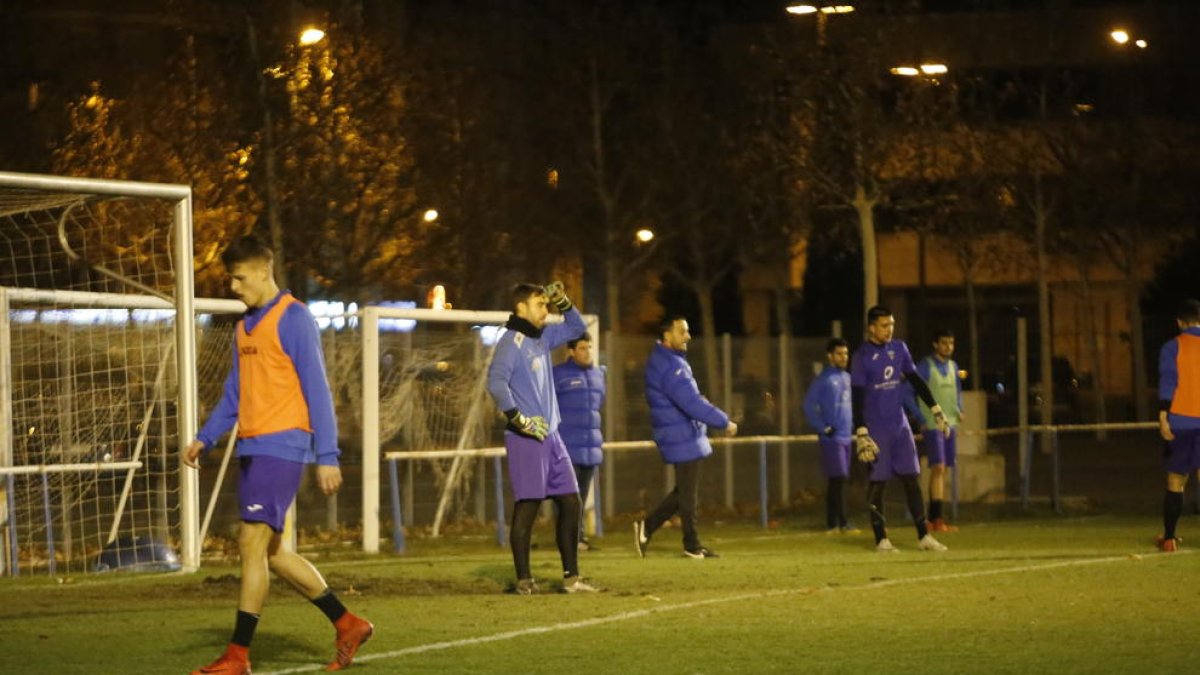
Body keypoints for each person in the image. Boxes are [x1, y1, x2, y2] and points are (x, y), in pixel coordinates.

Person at [184, 236, 372, 675]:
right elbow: (234, 393)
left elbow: (318, 389)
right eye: (231, 279)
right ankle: (348, 624)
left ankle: (237, 656)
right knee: (272, 552)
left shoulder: (294, 317)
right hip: (253, 446)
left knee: (249, 543)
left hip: (282, 446)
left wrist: (327, 454)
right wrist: (205, 437)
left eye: (239, 278)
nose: (233, 286)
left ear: (264, 271)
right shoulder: (244, 326)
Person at [486, 282, 598, 593]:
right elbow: (496, 383)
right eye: (540, 304)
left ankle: (571, 579)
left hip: (552, 436)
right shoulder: (511, 342)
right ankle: (525, 581)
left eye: (547, 304)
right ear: (521, 308)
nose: (545, 310)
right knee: (529, 506)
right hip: (526, 438)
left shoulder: (542, 337)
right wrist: (518, 419)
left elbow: (577, 327)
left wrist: (564, 301)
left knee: (571, 502)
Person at [635, 316, 738, 559]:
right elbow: (691, 402)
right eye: (682, 332)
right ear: (667, 335)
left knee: (684, 492)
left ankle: (649, 528)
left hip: (680, 433)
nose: (688, 337)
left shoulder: (667, 361)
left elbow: (689, 399)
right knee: (688, 494)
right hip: (681, 434)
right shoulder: (672, 365)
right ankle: (691, 545)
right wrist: (723, 421)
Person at [850, 305, 949, 553]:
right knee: (879, 482)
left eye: (891, 324)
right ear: (871, 328)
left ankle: (924, 535)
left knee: (911, 479)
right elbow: (857, 395)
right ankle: (881, 539)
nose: (889, 329)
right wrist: (861, 429)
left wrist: (936, 409)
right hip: (876, 428)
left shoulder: (899, 348)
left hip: (899, 425)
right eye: (884, 325)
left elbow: (915, 379)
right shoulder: (862, 356)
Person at [906, 329, 965, 533]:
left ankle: (936, 518)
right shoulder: (925, 366)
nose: (948, 347)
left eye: (951, 343)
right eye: (944, 343)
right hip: (933, 425)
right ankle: (935, 518)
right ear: (935, 344)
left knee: (944, 469)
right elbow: (907, 393)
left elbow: (958, 390)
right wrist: (921, 417)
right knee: (938, 468)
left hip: (951, 424)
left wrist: (959, 408)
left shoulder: (953, 367)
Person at [553, 332, 607, 551]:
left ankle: (577, 538)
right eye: (582, 348)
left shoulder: (599, 375)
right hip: (566, 447)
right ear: (571, 351)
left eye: (589, 347)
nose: (587, 352)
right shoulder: (558, 374)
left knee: (581, 497)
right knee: (567, 498)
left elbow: (597, 406)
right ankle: (568, 539)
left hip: (590, 448)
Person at [1155, 298, 1200, 552]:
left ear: (1180, 322)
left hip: (1181, 420)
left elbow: (1168, 382)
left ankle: (1170, 538)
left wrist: (1163, 416)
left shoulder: (1172, 347)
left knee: (1175, 479)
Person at [803, 338, 859, 535]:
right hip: (832, 438)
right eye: (839, 354)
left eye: (846, 353)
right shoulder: (824, 379)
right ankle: (836, 523)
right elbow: (808, 406)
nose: (844, 357)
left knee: (840, 480)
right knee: (838, 478)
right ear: (830, 356)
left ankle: (837, 523)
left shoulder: (848, 378)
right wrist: (823, 427)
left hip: (846, 436)